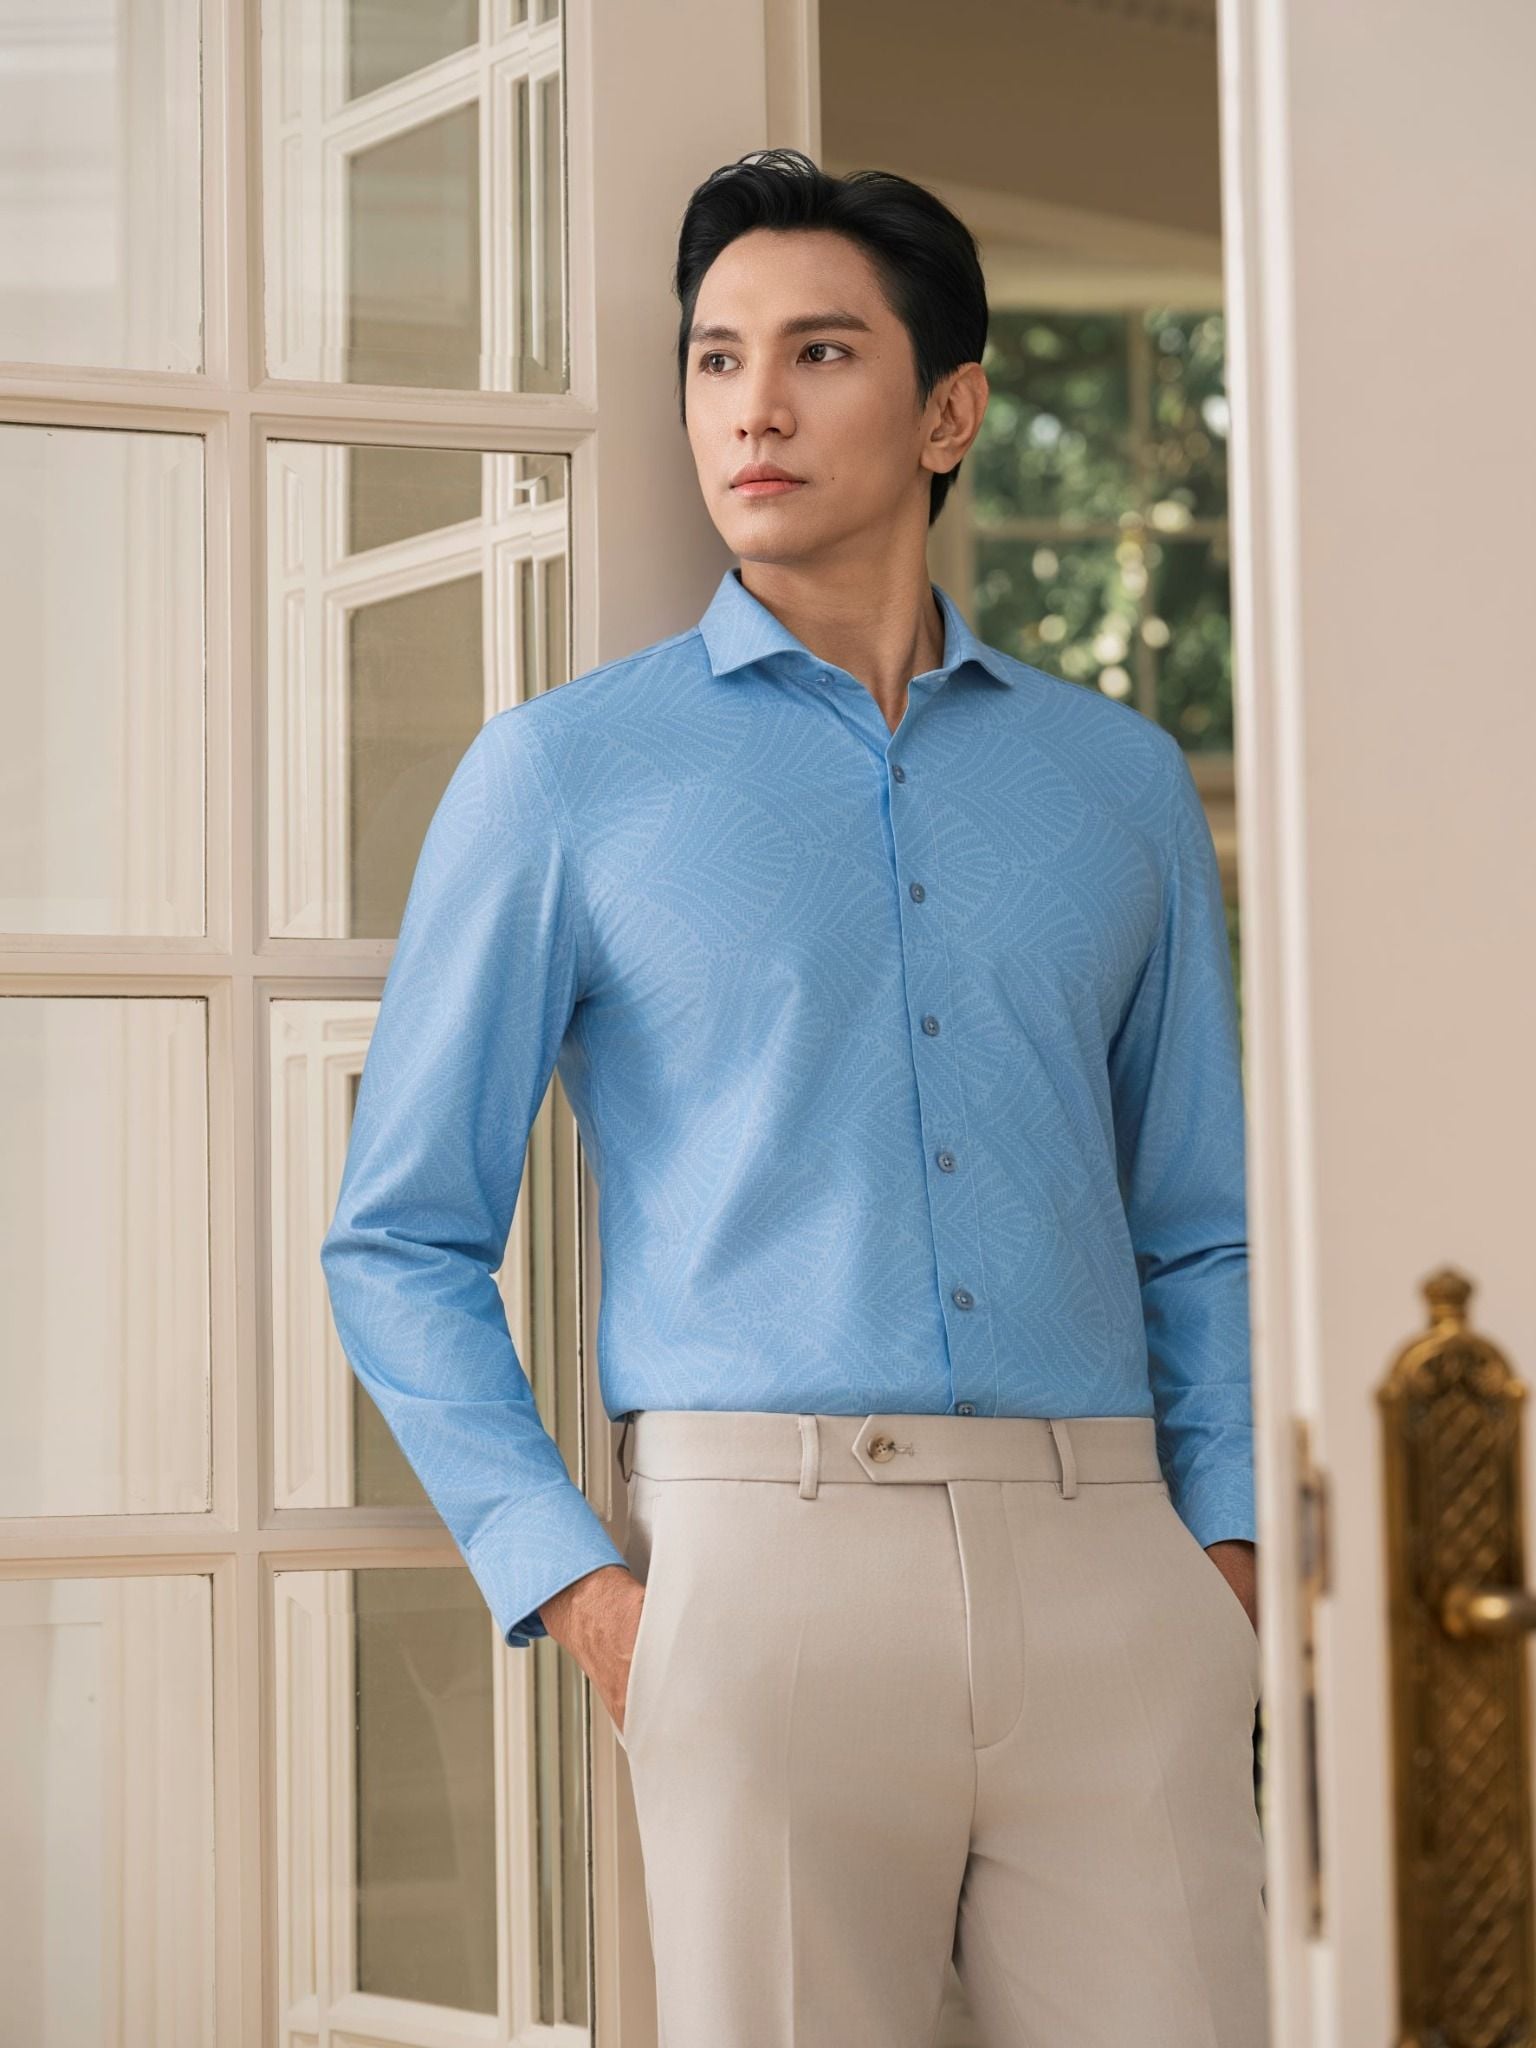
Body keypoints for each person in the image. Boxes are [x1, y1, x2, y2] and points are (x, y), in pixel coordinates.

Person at [320, 147, 1268, 2047]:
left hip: (1118, 1568)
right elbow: (398, 1239)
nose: (751, 406)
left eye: (820, 352)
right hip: (759, 1579)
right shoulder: (564, 778)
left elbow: (1203, 1224)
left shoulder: (1118, 787)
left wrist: (1225, 1565)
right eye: (715, 358)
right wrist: (585, 1594)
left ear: (948, 412)